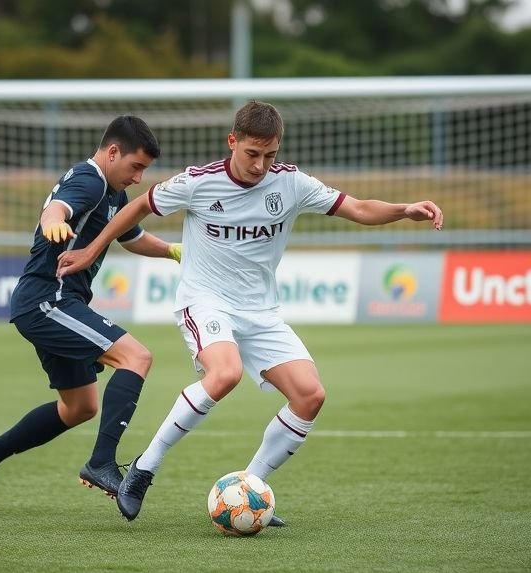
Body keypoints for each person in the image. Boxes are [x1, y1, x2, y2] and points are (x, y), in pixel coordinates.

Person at [55, 101, 443, 525]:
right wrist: (91, 250)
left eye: (270, 155)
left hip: (261, 312)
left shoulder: (291, 184)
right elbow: (138, 207)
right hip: (205, 300)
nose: (260, 165)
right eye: (252, 154)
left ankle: (251, 487)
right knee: (225, 374)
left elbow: (360, 208)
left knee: (310, 396)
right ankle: (143, 470)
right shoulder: (199, 182)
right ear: (232, 141)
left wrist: (404, 209)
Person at [0, 115, 182, 513]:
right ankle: (101, 463)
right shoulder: (90, 180)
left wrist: (174, 251)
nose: (138, 178)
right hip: (48, 300)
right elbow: (56, 208)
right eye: (135, 166)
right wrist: (54, 223)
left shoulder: (112, 192)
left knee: (79, 408)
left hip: (58, 302)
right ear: (112, 152)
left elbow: (131, 237)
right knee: (136, 357)